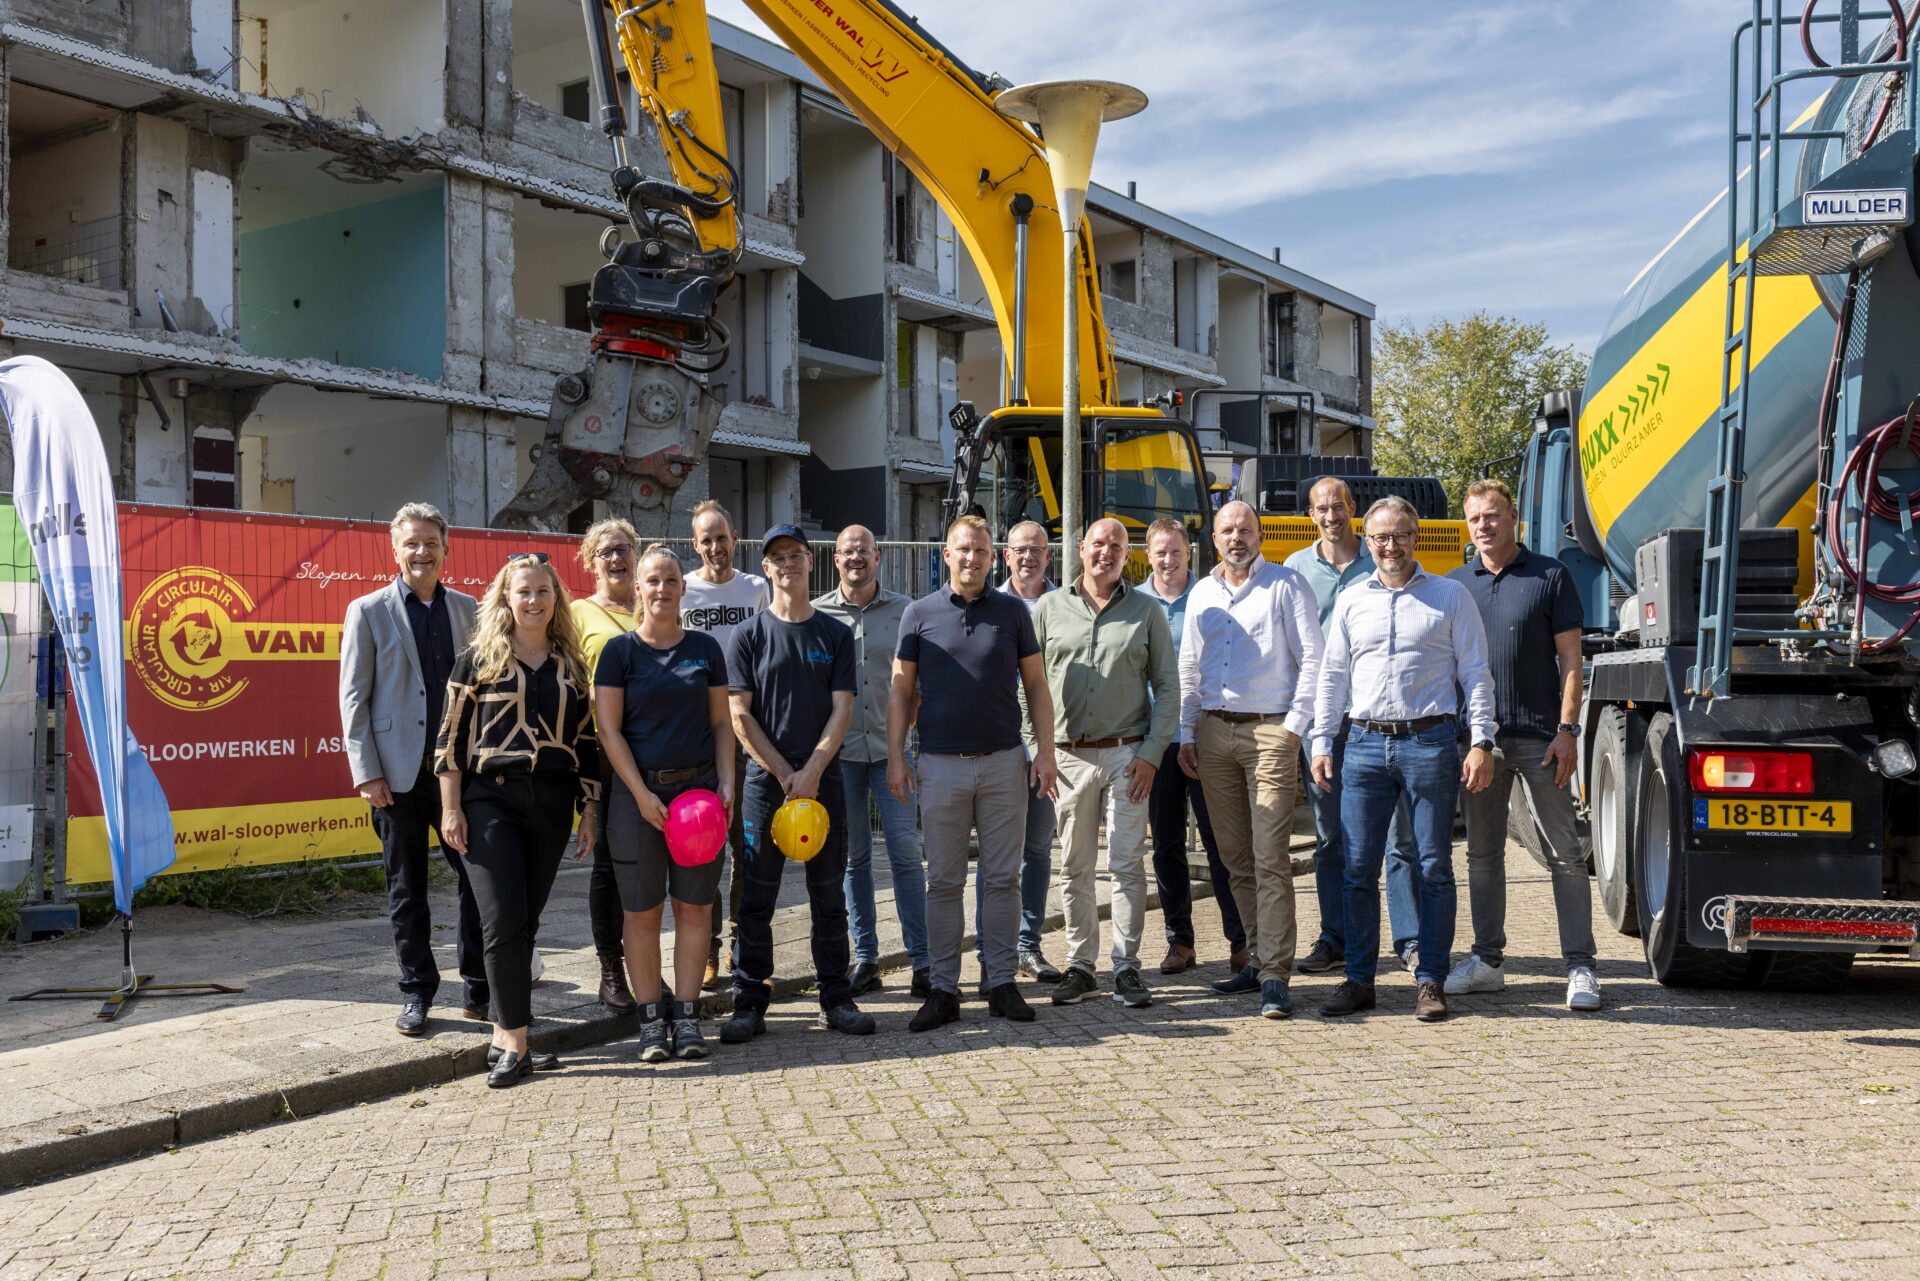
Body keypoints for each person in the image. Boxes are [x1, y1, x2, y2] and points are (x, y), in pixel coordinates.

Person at [1312, 495, 1497, 1024]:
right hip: (1364, 744)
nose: (1390, 546)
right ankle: (1359, 980)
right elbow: (1333, 675)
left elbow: (1475, 673)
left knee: (1433, 865)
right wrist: (1322, 740)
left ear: (1416, 539)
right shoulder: (1353, 601)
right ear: (1368, 542)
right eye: (1380, 537)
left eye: (1399, 536)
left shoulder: (1450, 596)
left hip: (1429, 743)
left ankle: (1430, 979)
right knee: (1357, 868)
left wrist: (1482, 740)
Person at [435, 553, 600, 1088]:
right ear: (505, 598)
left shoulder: (572, 666)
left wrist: (590, 810)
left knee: (525, 921)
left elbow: (587, 743)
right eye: (523, 591)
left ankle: (504, 1037)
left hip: (552, 802)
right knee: (501, 917)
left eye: (543, 591)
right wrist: (451, 807)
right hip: (490, 800)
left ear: (556, 599)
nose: (534, 600)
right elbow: (449, 741)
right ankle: (517, 1043)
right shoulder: (477, 659)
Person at [891, 515, 1058, 1031]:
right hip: (940, 766)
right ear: (947, 554)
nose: (972, 558)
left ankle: (1001, 982)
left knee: (1003, 879)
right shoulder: (918, 614)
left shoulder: (1013, 613)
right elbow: (900, 690)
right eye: (963, 549)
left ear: (992, 557)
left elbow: (1037, 686)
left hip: (1004, 763)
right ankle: (944, 990)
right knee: (943, 881)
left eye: (981, 551)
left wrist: (1045, 752)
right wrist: (896, 756)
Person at [1446, 479, 1601, 1011]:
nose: (1483, 526)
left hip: (1541, 740)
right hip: (1479, 744)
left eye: (1492, 515)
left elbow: (1572, 662)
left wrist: (1568, 731)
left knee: (1565, 854)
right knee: (1482, 855)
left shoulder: (1550, 576)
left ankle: (1580, 966)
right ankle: (1487, 962)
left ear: (1514, 517)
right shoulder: (1455, 585)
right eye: (1474, 518)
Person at [722, 525, 876, 1041]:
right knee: (756, 897)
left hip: (822, 779)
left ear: (812, 562)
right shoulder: (748, 635)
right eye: (778, 557)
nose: (788, 564)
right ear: (766, 568)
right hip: (765, 783)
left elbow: (842, 711)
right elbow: (740, 715)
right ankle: (749, 1002)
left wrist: (811, 770)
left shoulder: (834, 635)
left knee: (828, 894)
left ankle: (836, 997)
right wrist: (784, 773)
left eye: (796, 555)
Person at [340, 503, 486, 1036]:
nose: (422, 552)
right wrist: (367, 773)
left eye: (431, 543)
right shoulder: (367, 611)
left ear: (446, 549)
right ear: (395, 550)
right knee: (407, 890)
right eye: (412, 543)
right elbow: (353, 697)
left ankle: (479, 989)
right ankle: (416, 992)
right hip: (396, 778)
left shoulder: (470, 610)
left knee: (478, 884)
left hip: (460, 775)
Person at [1177, 500, 1322, 1020]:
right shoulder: (1202, 591)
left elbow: (1314, 659)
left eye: (1245, 529)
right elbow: (1189, 666)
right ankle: (1256, 958)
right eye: (1227, 530)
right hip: (1212, 732)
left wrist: (1293, 728)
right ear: (1214, 538)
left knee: (1269, 856)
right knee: (1234, 857)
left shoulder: (1286, 585)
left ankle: (1276, 974)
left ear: (1260, 536)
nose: (1236, 537)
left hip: (1269, 731)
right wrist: (1186, 732)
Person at [596, 544, 734, 1063]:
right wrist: (641, 794)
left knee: (694, 907)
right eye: (652, 581)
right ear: (638, 588)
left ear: (683, 588)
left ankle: (688, 1017)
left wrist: (727, 783)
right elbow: (609, 731)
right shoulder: (619, 653)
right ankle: (652, 1022)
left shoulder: (705, 649)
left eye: (670, 580)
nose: (661, 589)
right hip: (637, 801)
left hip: (698, 799)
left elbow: (721, 722)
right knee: (642, 913)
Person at [1034, 518, 1178, 1009]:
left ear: (1126, 555)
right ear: (1081, 548)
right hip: (1067, 757)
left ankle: (1126, 966)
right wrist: (1038, 750)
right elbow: (1027, 685)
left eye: (1116, 545)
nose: (1106, 552)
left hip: (1127, 755)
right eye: (1098, 543)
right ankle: (1080, 965)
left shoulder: (1146, 611)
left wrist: (1151, 755)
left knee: (1125, 863)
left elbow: (1168, 687)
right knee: (1074, 865)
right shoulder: (1049, 608)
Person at [1282, 477, 1423, 977]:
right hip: (1323, 721)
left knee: (1399, 838)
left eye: (1338, 506)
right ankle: (1336, 937)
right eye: (1320, 508)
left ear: (1352, 509)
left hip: (1376, 717)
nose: (1330, 515)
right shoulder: (1295, 570)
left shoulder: (1382, 558)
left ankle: (1409, 940)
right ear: (1310, 514)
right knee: (1330, 837)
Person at [814, 525, 931, 997]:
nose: (856, 557)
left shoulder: (905, 611)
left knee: (905, 852)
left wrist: (904, 735)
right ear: (836, 559)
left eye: (864, 550)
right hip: (840, 756)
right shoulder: (818, 614)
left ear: (878, 557)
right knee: (854, 858)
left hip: (890, 754)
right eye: (847, 551)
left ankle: (923, 960)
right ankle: (866, 960)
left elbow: (917, 683)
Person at [1138, 517, 1247, 977]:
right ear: (1148, 555)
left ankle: (1241, 941)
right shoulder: (1134, 603)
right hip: (1154, 742)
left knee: (1223, 843)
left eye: (1176, 551)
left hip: (1204, 736)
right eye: (1160, 552)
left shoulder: (1208, 597)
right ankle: (1179, 941)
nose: (1168, 559)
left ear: (1190, 553)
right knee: (1166, 844)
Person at [680, 500, 769, 989]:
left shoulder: (756, 589)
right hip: (701, 736)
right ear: (695, 545)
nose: (715, 546)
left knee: (748, 849)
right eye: (706, 539)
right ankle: (709, 950)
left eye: (722, 537)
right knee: (705, 846)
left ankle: (743, 947)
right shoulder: (683, 590)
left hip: (749, 734)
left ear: (735, 538)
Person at [570, 517, 642, 1012]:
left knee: (653, 862)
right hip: (602, 751)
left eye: (623, 549)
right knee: (610, 865)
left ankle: (650, 965)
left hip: (657, 750)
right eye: (605, 552)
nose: (616, 558)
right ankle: (611, 968)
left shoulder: (655, 604)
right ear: (591, 562)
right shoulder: (578, 614)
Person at [993, 519, 1064, 985]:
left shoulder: (1067, 604)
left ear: (1048, 556)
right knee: (999, 852)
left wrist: (1049, 747)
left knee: (1037, 847)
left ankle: (1027, 945)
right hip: (998, 745)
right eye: (1020, 549)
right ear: (1006, 555)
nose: (1028, 557)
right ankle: (993, 947)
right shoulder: (988, 603)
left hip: (1046, 746)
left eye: (1037, 549)